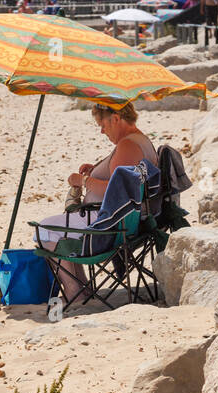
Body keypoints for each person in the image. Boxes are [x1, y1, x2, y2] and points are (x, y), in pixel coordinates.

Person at [35, 102, 159, 303]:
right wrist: (97, 170)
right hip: (126, 220)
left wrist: (82, 181)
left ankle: (75, 291)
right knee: (57, 229)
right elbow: (122, 178)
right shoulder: (140, 141)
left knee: (44, 230)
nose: (102, 131)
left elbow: (117, 190)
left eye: (103, 124)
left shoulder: (128, 145)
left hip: (112, 224)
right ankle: (82, 290)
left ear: (116, 118)